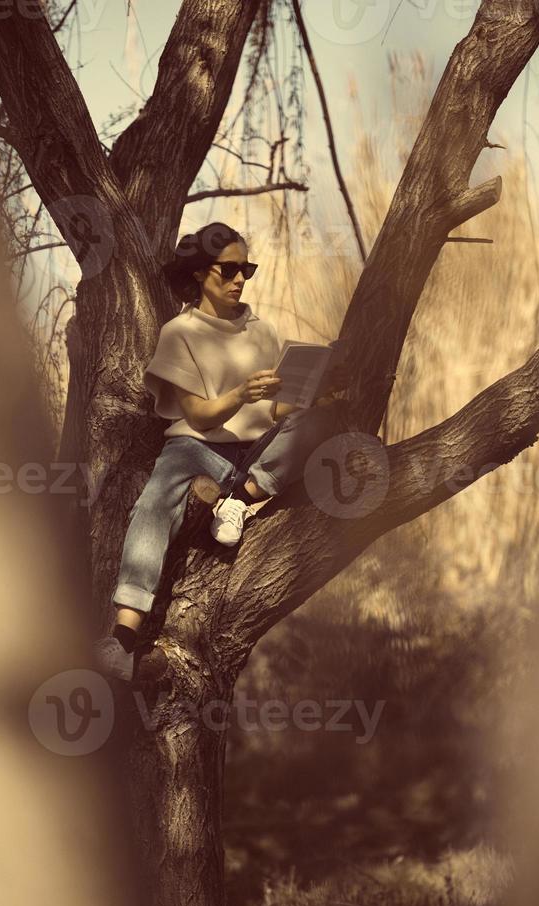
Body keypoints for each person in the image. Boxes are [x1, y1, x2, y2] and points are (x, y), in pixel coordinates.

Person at [95, 221, 349, 682]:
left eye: (246, 270)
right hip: (198, 449)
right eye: (228, 269)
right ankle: (124, 636)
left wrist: (316, 394)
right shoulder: (180, 332)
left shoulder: (262, 331)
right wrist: (241, 393)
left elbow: (275, 411)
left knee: (318, 422)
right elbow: (201, 415)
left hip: (255, 453)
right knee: (153, 505)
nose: (239, 280)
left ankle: (242, 499)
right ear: (199, 273)